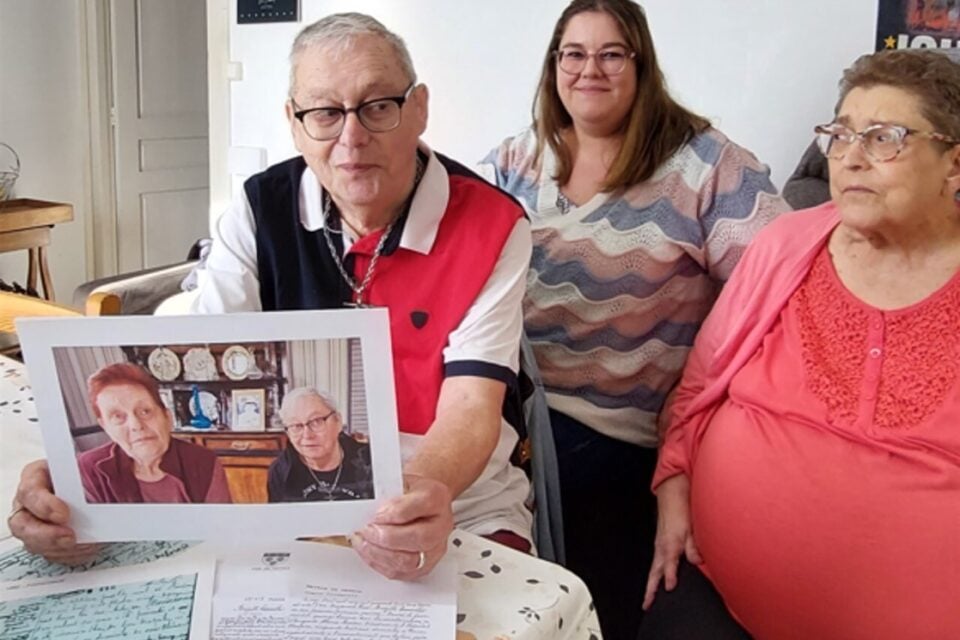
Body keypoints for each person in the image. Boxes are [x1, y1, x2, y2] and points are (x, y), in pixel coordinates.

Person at [9, 12, 533, 580]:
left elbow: (471, 407)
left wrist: (419, 496)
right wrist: (74, 491)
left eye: (378, 106)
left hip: (455, 494)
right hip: (300, 503)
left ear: (419, 108)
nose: (351, 138)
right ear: (294, 121)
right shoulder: (259, 208)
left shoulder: (493, 223)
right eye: (324, 113)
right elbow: (198, 357)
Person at [478, 1, 788, 637]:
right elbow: (459, 260)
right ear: (553, 66)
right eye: (574, 53)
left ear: (641, 64)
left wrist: (699, 407)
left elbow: (782, 288)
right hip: (514, 416)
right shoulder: (518, 158)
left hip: (621, 438)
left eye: (611, 53)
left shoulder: (706, 167)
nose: (589, 69)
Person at [642, 48, 960, 640]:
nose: (850, 158)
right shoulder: (786, 244)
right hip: (719, 596)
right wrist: (673, 487)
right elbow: (698, 386)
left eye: (884, 137)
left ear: (955, 165)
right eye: (839, 135)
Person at [78, 362, 232, 504]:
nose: (135, 425)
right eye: (118, 417)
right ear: (105, 427)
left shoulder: (203, 462)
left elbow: (220, 528)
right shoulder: (87, 469)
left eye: (145, 411)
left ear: (167, 417)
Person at [268, 387, 374, 502]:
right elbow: (279, 518)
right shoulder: (281, 470)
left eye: (316, 421)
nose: (307, 435)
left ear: (337, 421)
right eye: (296, 426)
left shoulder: (369, 459)